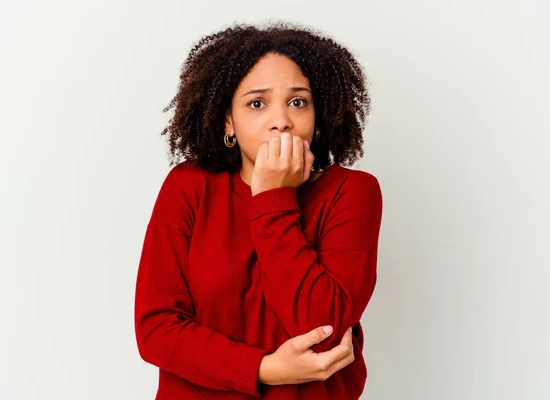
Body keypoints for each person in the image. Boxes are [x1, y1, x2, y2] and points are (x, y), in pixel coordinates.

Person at [134, 22, 383, 399]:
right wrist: (265, 370)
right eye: (257, 103)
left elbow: (322, 327)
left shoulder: (352, 193)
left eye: (298, 101)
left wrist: (273, 197)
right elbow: (156, 330)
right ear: (228, 122)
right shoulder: (189, 187)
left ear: (317, 119)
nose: (281, 119)